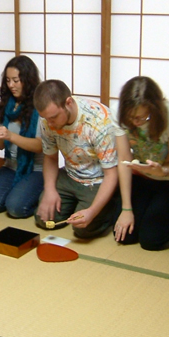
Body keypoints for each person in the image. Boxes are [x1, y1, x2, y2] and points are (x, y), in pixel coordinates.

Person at [34, 79, 122, 238]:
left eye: (53, 117)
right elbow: (51, 158)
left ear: (68, 103)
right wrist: (50, 189)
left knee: (83, 229)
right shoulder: (47, 120)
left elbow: (111, 174)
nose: (50, 123)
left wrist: (92, 211)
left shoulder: (100, 121)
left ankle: (110, 207)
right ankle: (77, 203)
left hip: (98, 180)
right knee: (44, 218)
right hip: (70, 175)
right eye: (46, 118)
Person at [114, 76, 169, 250]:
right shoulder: (117, 113)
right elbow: (123, 160)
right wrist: (126, 209)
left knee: (151, 241)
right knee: (124, 236)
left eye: (142, 118)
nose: (136, 123)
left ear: (154, 109)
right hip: (141, 177)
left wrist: (162, 171)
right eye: (131, 117)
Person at [0, 56, 43, 218]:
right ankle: (20, 193)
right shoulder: (7, 104)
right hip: (10, 165)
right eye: (8, 80)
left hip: (35, 169)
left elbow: (40, 146)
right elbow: (1, 146)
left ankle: (41, 196)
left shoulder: (40, 105)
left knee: (16, 208)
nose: (11, 85)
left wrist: (10, 135)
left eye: (16, 80)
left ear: (27, 80)